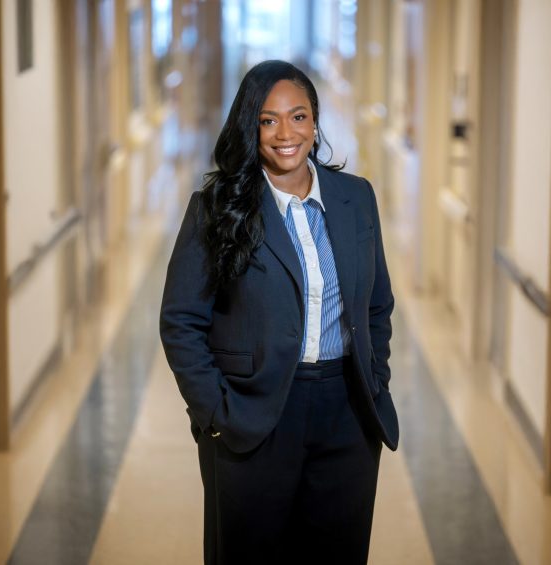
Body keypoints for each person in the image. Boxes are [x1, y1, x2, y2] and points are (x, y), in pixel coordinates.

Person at [159, 60, 398, 565]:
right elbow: (181, 321)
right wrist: (217, 413)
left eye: (299, 116)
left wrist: (375, 379)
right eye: (268, 120)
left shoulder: (356, 198)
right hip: (254, 415)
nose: (285, 134)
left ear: (315, 122)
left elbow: (377, 304)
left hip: (347, 414)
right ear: (251, 126)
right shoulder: (218, 207)